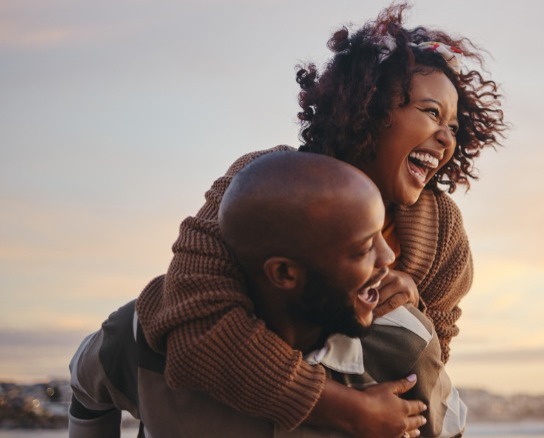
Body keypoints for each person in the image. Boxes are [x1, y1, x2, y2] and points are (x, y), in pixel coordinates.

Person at [135, 3, 505, 437]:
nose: (446, 138)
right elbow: (196, 325)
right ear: (370, 107)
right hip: (225, 411)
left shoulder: (442, 231)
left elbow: (431, 362)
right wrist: (346, 410)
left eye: (455, 127)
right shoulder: (263, 183)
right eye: (430, 112)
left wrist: (414, 308)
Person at [69, 152, 466, 437]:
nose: (389, 257)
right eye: (363, 249)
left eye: (383, 233)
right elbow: (86, 387)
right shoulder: (146, 334)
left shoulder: (405, 343)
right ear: (284, 272)